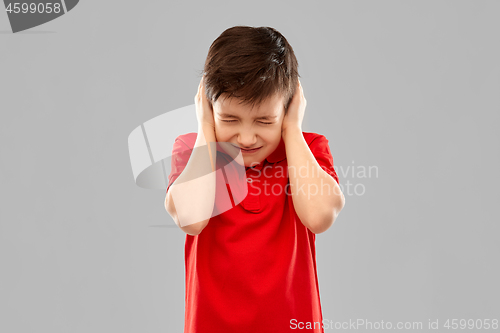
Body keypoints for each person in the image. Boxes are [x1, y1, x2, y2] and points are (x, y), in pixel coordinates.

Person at [164, 26, 345, 333]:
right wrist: (205, 129)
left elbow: (319, 217)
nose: (246, 138)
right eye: (229, 120)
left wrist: (293, 131)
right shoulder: (194, 151)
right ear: (208, 107)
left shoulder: (307, 150)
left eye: (264, 121)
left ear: (288, 110)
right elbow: (191, 219)